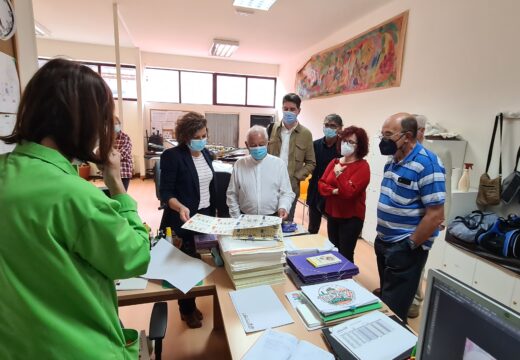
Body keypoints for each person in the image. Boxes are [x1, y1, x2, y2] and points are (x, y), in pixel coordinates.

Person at [0, 59, 150, 359]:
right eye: (103, 119)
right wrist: (117, 188)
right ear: (81, 121)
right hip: (79, 347)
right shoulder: (75, 195)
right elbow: (134, 257)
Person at [375, 113, 446, 322]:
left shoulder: (427, 164)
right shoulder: (393, 160)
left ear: (406, 136)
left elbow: (435, 216)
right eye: (381, 134)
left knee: (394, 312)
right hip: (385, 242)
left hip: (404, 248)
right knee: (386, 303)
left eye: (388, 135)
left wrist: (409, 245)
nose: (383, 140)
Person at [159, 111, 216, 329]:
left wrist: (214, 214)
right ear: (185, 136)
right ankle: (186, 309)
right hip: (181, 219)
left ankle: (191, 304)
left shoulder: (207, 154)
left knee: (200, 263)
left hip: (204, 217)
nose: (203, 140)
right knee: (183, 265)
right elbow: (166, 193)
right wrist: (180, 206)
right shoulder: (172, 156)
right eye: (198, 136)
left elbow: (210, 186)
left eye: (204, 135)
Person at [407, 114, 452, 318]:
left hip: (424, 222)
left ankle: (414, 303)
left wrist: (441, 220)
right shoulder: (405, 152)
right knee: (405, 267)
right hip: (406, 222)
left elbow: (445, 191)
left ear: (421, 131)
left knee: (417, 265)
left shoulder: (435, 154)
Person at [318, 126, 370, 262]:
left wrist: (338, 174)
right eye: (344, 140)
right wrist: (334, 191)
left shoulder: (363, 167)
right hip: (332, 214)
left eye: (351, 142)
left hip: (351, 218)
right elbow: (321, 185)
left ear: (359, 146)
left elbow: (348, 193)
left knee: (345, 254)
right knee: (334, 250)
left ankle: (346, 281)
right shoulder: (334, 162)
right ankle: (334, 279)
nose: (346, 144)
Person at [227, 125, 295, 219]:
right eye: (253, 145)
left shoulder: (279, 164)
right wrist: (236, 217)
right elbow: (232, 194)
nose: (258, 148)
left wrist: (283, 207)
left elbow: (287, 192)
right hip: (245, 217)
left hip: (272, 217)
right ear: (247, 145)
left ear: (267, 143)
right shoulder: (239, 164)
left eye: (261, 144)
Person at [267, 93, 316, 221]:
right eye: (285, 108)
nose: (288, 112)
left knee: (285, 224)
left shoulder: (306, 134)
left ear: (299, 111)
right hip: (269, 187)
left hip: (290, 189)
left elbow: (311, 163)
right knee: (266, 224)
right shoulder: (272, 129)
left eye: (292, 109)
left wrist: (296, 177)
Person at [307, 114, 343, 234]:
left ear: (340, 128)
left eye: (333, 126)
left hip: (332, 193)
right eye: (326, 125)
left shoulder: (343, 148)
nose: (329, 128)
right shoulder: (315, 145)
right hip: (315, 189)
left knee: (333, 230)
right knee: (312, 227)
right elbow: (309, 164)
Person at [114, 116, 133, 190]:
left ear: (119, 124)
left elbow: (123, 154)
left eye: (116, 124)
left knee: (122, 193)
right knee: (112, 194)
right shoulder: (106, 138)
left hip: (123, 171)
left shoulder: (125, 137)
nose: (114, 126)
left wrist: (111, 155)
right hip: (110, 172)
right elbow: (102, 153)